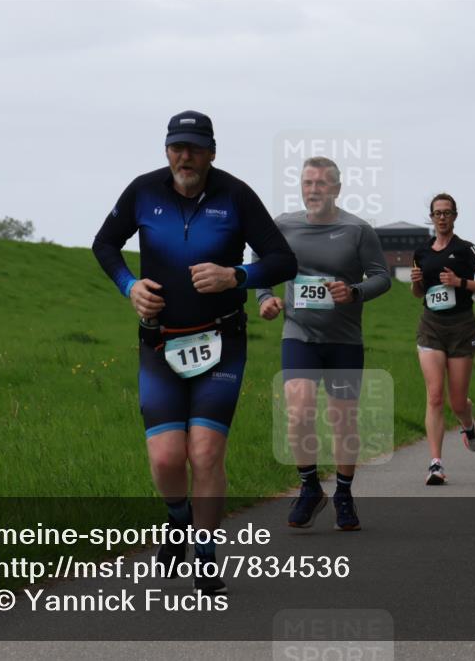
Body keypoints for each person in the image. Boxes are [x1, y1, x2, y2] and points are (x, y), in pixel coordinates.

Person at [92, 110, 297, 595]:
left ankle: (205, 554)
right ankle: (177, 519)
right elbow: (104, 244)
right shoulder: (143, 191)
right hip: (160, 341)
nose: (185, 156)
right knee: (166, 459)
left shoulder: (236, 194)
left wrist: (238, 277)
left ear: (211, 152)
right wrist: (129, 286)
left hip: (222, 341)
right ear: (167, 150)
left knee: (205, 452)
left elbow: (282, 257)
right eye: (176, 147)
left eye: (195, 148)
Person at [255, 156, 391, 531]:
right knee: (298, 412)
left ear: (336, 188)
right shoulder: (284, 225)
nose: (313, 190)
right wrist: (265, 297)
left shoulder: (357, 229)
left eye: (321, 184)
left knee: (343, 420)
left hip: (344, 340)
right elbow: (261, 262)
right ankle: (309, 486)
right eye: (307, 183)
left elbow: (381, 276)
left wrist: (355, 291)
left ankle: (344, 493)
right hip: (298, 335)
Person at [411, 193, 475, 485]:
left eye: (447, 213)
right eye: (437, 213)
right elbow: (419, 293)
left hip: (461, 327)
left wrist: (460, 282)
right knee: (435, 395)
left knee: (457, 401)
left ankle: (468, 424)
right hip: (431, 326)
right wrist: (416, 283)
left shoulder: (467, 249)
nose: (442, 218)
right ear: (431, 217)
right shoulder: (421, 252)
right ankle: (435, 464)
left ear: (455, 216)